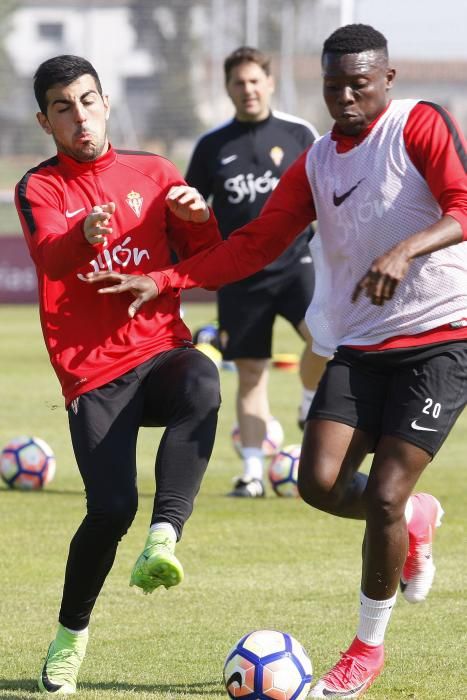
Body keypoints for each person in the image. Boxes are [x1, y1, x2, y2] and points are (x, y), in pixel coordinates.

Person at [93, 24, 467, 698]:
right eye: (333, 83)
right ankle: (414, 521)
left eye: (359, 82)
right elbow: (256, 242)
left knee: (383, 491)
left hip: (441, 337)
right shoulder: (317, 160)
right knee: (317, 483)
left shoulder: (419, 125)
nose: (345, 95)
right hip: (359, 344)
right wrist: (166, 279)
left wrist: (404, 249)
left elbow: (462, 204)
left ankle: (365, 650)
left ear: (386, 79)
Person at [15, 55, 222, 696]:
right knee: (108, 510)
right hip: (93, 374)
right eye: (63, 107)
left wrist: (198, 220)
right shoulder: (39, 188)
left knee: (203, 382)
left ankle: (165, 536)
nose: (79, 116)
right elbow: (50, 256)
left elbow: (208, 261)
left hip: (160, 351)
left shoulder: (156, 173)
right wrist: (83, 233)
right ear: (45, 119)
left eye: (87, 100)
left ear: (106, 101)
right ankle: (70, 637)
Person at [185, 46, 327, 498]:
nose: (247, 90)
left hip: (296, 264)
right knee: (250, 373)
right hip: (240, 276)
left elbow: (327, 195)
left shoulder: (300, 133)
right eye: (238, 83)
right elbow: (190, 209)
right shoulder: (212, 146)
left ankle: (308, 403)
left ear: (269, 82)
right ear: (228, 89)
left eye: (254, 81)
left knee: (326, 342)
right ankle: (250, 473)